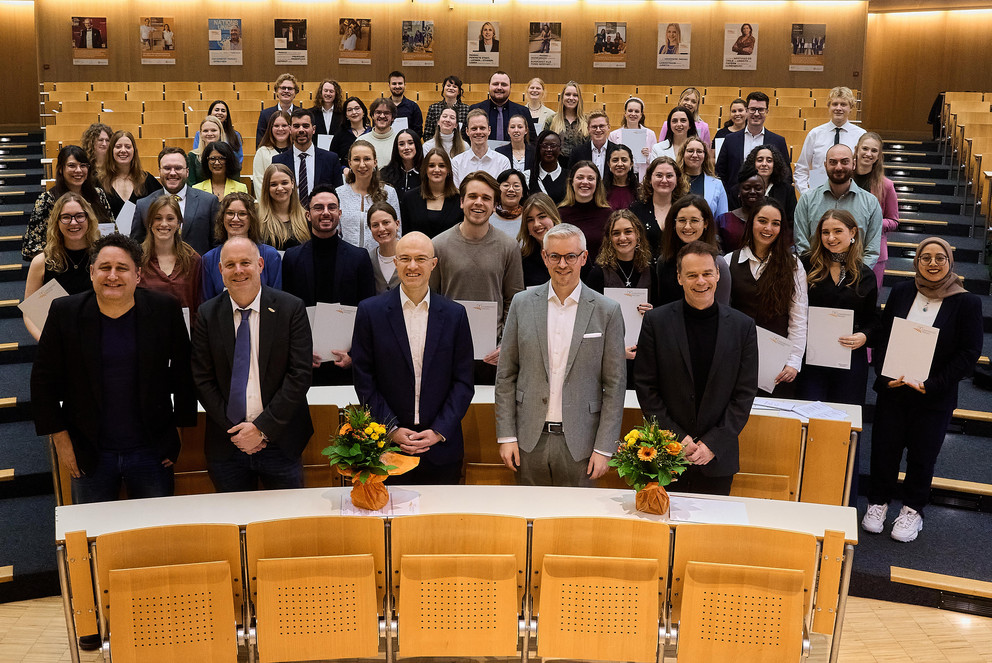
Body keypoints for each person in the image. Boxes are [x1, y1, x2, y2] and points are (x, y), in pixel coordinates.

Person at [32, 232, 196, 503]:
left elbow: (184, 373)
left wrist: (177, 433)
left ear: (138, 275)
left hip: (152, 451)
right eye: (105, 268)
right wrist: (61, 441)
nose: (113, 276)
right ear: (92, 272)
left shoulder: (164, 308)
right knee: (94, 537)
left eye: (122, 268)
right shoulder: (65, 312)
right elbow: (42, 383)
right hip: (88, 451)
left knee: (154, 535)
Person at [863, 237, 982, 542]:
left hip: (934, 395)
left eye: (939, 258)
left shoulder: (967, 302)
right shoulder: (903, 291)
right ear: (916, 261)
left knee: (922, 455)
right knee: (884, 451)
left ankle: (912, 510)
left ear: (949, 262)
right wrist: (883, 372)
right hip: (894, 388)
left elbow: (969, 354)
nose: (932, 263)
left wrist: (931, 385)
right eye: (925, 257)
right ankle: (878, 503)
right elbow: (885, 333)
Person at [495, 223, 625, 486]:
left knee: (577, 524)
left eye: (571, 256)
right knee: (529, 518)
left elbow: (614, 385)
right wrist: (506, 436)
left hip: (582, 443)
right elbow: (506, 374)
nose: (562, 264)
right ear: (545, 257)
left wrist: (604, 447)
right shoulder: (522, 303)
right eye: (555, 256)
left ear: (584, 258)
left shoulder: (607, 311)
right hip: (528, 440)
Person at [634, 240, 758, 495]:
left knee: (710, 534)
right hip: (664, 454)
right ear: (679, 278)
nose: (701, 281)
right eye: (692, 275)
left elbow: (744, 394)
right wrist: (677, 439)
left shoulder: (742, 326)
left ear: (718, 275)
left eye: (706, 273)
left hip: (717, 457)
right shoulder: (656, 322)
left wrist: (712, 443)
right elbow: (646, 387)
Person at [352, 231, 475, 484]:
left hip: (441, 447)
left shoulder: (455, 315)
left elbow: (463, 382)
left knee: (441, 522)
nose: (412, 266)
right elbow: (364, 379)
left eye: (420, 259)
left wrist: (438, 431)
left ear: (433, 263)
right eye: (405, 258)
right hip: (387, 447)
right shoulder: (370, 312)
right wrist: (391, 429)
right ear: (395, 262)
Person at [191, 237, 313, 492]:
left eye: (245, 262)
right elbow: (202, 379)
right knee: (233, 525)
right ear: (220, 270)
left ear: (260, 264)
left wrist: (262, 429)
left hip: (280, 442)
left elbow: (299, 375)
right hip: (228, 444)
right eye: (230, 264)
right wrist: (238, 433)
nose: (238, 270)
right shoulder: (207, 314)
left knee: (286, 525)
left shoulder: (291, 308)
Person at [430, 171, 524, 382]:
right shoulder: (438, 245)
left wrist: (505, 345)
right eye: (472, 196)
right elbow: (431, 298)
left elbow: (515, 301)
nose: (479, 203)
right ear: (462, 202)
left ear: (494, 206)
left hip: (492, 355)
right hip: (448, 351)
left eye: (486, 198)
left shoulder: (509, 247)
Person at [282, 185, 376, 385]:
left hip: (346, 364)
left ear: (339, 213)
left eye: (332, 207)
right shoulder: (292, 258)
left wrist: (354, 355)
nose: (326, 212)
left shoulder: (359, 258)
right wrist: (300, 354)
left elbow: (367, 313)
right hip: (304, 365)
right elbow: (286, 314)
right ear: (308, 215)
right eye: (318, 208)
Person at [723, 198, 808, 398]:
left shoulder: (794, 265)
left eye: (775, 223)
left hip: (778, 366)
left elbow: (799, 318)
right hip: (738, 359)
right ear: (751, 222)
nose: (768, 228)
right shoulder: (729, 261)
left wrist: (793, 361)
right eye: (762, 221)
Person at [796, 209, 878, 408]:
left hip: (848, 357)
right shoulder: (804, 265)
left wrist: (864, 336)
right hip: (810, 358)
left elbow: (873, 322)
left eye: (837, 231)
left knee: (844, 419)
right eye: (825, 232)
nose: (830, 238)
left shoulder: (865, 275)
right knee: (807, 417)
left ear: (852, 233)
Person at [23, 193, 99, 340]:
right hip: (57, 341)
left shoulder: (103, 256)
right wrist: (47, 342)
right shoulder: (41, 262)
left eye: (79, 216)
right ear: (56, 222)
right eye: (66, 217)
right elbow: (29, 313)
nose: (73, 222)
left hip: (97, 338)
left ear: (89, 219)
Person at [794, 144, 882, 267]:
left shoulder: (871, 203)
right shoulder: (807, 200)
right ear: (825, 165)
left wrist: (857, 277)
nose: (838, 167)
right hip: (815, 277)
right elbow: (802, 245)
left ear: (854, 164)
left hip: (855, 279)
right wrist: (817, 273)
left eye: (845, 162)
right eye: (833, 162)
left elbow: (871, 251)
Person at [22, 145, 115, 261]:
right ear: (61, 169)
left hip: (96, 263)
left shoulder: (99, 194)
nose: (78, 170)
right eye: (72, 166)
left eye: (83, 166)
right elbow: (31, 248)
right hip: (61, 265)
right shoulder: (47, 200)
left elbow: (112, 231)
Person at [132, 147, 219, 256]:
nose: (172, 173)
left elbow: (217, 245)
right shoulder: (144, 205)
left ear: (187, 172)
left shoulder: (209, 202)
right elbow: (136, 247)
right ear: (159, 171)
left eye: (178, 168)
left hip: (198, 270)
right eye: (167, 168)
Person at [200, 192, 282, 301]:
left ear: (251, 218)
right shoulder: (209, 259)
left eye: (242, 214)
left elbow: (277, 301)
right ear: (222, 218)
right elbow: (207, 305)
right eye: (230, 213)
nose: (235, 219)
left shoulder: (271, 256)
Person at [654, 194, 731, 306]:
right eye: (682, 220)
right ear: (674, 223)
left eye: (694, 221)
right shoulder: (664, 261)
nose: (687, 227)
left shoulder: (718, 263)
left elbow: (723, 310)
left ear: (705, 223)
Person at [715, 91, 791, 202]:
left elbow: (786, 175)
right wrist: (728, 197)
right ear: (746, 111)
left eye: (760, 110)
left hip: (768, 203)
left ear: (767, 112)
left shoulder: (778, 141)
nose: (756, 114)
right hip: (735, 202)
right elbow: (720, 172)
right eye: (752, 109)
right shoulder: (730, 140)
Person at [137, 194, 203, 315]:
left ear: (178, 223)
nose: (164, 224)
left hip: (185, 331)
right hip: (147, 330)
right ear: (150, 223)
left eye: (170, 218)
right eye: (158, 218)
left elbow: (198, 303)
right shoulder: (137, 258)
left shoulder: (193, 260)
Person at [795, 86, 865, 193]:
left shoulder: (861, 135)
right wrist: (807, 194)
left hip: (849, 193)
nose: (838, 108)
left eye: (843, 104)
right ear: (829, 107)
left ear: (851, 108)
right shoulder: (815, 134)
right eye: (834, 104)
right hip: (818, 190)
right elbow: (801, 169)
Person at [854, 132, 900, 289]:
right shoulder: (844, 178)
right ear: (856, 149)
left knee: (868, 299)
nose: (868, 154)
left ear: (879, 155)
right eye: (864, 148)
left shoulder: (886, 185)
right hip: (843, 249)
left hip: (874, 252)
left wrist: (872, 223)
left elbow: (893, 221)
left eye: (874, 151)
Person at [336, 140, 402, 249]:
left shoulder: (389, 192)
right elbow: (335, 232)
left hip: (380, 257)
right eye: (357, 159)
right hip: (347, 258)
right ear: (350, 163)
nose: (362, 165)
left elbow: (397, 232)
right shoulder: (339, 193)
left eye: (367, 159)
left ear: (375, 162)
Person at [272, 108, 344, 205]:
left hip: (321, 216)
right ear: (290, 129)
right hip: (290, 217)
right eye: (296, 126)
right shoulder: (278, 161)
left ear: (313, 129)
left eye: (305, 126)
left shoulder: (331, 159)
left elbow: (338, 193)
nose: (301, 130)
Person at [629, 156, 687, 255]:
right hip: (645, 269)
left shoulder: (686, 209)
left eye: (669, 176)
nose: (664, 180)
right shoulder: (635, 210)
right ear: (650, 179)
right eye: (659, 175)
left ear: (677, 180)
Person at [401, 147, 462, 238]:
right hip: (417, 251)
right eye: (431, 165)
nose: (437, 170)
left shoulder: (460, 199)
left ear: (448, 170)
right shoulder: (409, 198)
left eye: (442, 165)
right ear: (425, 169)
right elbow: (405, 233)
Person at [100, 130, 162, 217]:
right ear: (111, 151)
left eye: (128, 147)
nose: (123, 150)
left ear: (134, 151)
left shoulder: (147, 180)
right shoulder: (99, 181)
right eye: (118, 146)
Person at [558, 161, 612, 259]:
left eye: (590, 178)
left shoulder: (608, 215)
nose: (585, 182)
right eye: (580, 177)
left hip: (600, 272)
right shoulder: (559, 214)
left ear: (597, 183)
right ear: (571, 181)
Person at [451, 109, 511, 186]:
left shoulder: (503, 162)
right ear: (467, 131)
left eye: (482, 128)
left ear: (489, 130)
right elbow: (456, 194)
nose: (478, 132)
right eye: (474, 129)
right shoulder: (456, 163)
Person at [257, 163, 310, 251]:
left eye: (284, 183)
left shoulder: (307, 218)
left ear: (292, 184)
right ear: (267, 187)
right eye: (274, 184)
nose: (280, 188)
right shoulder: (257, 219)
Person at [742, 144, 796, 226]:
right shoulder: (741, 189)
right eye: (760, 160)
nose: (764, 164)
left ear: (775, 164)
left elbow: (791, 222)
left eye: (769, 161)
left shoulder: (787, 190)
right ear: (752, 163)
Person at [716, 164, 765, 252]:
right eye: (747, 188)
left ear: (764, 192)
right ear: (739, 192)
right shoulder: (723, 220)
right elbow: (718, 251)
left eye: (758, 188)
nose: (753, 192)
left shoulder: (771, 219)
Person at [468, 71, 529, 142]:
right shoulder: (475, 109)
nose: (499, 87)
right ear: (489, 86)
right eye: (495, 84)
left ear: (510, 88)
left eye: (504, 84)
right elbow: (466, 137)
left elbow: (531, 141)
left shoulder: (523, 111)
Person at [677, 137, 729, 219]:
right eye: (690, 151)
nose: (694, 155)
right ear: (683, 154)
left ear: (705, 156)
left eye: (699, 151)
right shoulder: (674, 180)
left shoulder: (717, 184)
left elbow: (722, 219)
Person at [518, 192, 561, 287]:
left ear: (553, 217)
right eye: (530, 220)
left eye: (542, 217)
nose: (536, 224)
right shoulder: (523, 260)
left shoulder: (574, 250)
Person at [608, 97, 656, 179]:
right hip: (620, 176)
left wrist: (648, 155)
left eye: (637, 111)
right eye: (630, 111)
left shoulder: (650, 134)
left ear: (641, 114)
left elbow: (656, 161)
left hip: (642, 176)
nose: (633, 114)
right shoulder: (614, 135)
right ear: (625, 113)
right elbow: (610, 159)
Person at [192, 100, 244, 167]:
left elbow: (239, 159)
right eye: (217, 110)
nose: (220, 113)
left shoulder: (235, 135)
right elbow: (197, 154)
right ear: (210, 113)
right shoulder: (199, 134)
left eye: (223, 111)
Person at [252, 110, 292, 194]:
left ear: (290, 128)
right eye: (276, 126)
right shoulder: (262, 152)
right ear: (271, 128)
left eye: (284, 125)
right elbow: (259, 183)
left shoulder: (296, 152)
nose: (280, 129)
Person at [544, 81, 587, 159]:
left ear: (579, 99)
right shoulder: (551, 120)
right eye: (568, 94)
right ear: (562, 97)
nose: (571, 98)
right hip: (557, 166)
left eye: (575, 95)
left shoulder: (587, 121)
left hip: (580, 166)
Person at [256, 73, 300, 147]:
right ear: (276, 91)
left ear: (295, 93)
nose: (286, 91)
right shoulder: (265, 114)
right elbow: (260, 142)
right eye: (283, 88)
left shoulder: (301, 114)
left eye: (290, 88)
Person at [568, 110, 617, 176]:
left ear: (608, 127)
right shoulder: (577, 152)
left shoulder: (617, 151)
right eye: (594, 127)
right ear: (588, 129)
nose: (598, 130)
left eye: (601, 126)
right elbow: (571, 177)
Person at [366, 201, 401, 293]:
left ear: (397, 224)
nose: (381, 229)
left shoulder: (411, 255)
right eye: (375, 225)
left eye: (386, 222)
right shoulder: (368, 259)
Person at [423, 75, 470, 140]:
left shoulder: (466, 109)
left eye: (454, 86)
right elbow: (428, 134)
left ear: (459, 91)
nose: (451, 88)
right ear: (443, 88)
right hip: (437, 147)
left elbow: (468, 134)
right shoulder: (433, 108)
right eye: (448, 86)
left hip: (460, 147)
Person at [529, 130, 568, 204]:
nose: (549, 149)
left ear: (560, 149)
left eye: (553, 146)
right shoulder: (528, 176)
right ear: (538, 148)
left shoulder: (570, 177)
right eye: (544, 146)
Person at [380, 128, 423, 196]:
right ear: (396, 148)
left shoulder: (426, 173)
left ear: (417, 146)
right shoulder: (385, 174)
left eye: (410, 143)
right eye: (401, 144)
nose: (406, 147)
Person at [186, 116, 227, 185]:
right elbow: (191, 184)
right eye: (205, 131)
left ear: (220, 133)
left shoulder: (229, 154)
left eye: (213, 130)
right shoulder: (192, 156)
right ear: (201, 134)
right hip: (198, 195)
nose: (209, 134)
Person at [490, 169, 529, 237]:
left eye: (516, 186)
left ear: (523, 192)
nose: (511, 189)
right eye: (506, 185)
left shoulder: (528, 217)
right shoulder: (488, 217)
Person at [387, 70, 424, 138]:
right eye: (394, 84)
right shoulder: (383, 106)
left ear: (405, 85)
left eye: (400, 83)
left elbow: (418, 131)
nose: (397, 86)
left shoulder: (413, 107)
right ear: (389, 85)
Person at [603, 144, 639, 211]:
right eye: (615, 160)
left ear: (631, 163)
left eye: (624, 160)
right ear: (609, 164)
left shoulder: (639, 191)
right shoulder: (601, 189)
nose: (619, 164)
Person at [366, 97, 399, 166]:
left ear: (393, 117)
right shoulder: (362, 140)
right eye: (378, 112)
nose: (382, 116)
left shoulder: (400, 141)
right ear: (372, 115)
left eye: (387, 113)